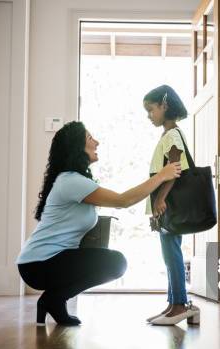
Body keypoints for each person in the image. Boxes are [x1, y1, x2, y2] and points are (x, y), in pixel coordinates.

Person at [16, 121, 181, 326]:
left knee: (110, 260)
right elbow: (123, 201)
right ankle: (53, 299)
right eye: (90, 138)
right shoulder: (71, 181)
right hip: (39, 265)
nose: (97, 142)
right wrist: (162, 175)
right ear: (77, 147)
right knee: (116, 262)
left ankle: (54, 301)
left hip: (43, 262)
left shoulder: (72, 180)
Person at [143, 84, 200, 326]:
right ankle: (172, 304)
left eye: (151, 109)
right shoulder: (168, 135)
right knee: (169, 253)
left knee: (172, 253)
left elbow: (175, 169)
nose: (149, 115)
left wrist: (160, 198)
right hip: (165, 204)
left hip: (168, 204)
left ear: (164, 105)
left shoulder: (173, 135)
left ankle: (180, 305)